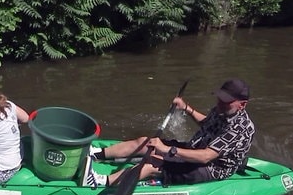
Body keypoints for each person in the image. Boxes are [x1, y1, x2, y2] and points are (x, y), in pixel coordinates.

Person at [89, 78, 255, 186]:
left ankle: (101, 181)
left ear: (242, 105)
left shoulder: (239, 128)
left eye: (226, 101)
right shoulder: (222, 110)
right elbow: (207, 123)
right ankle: (96, 153)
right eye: (220, 98)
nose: (220, 102)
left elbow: (206, 156)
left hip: (210, 167)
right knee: (145, 142)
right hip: (195, 149)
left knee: (151, 164)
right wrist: (186, 108)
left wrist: (169, 150)